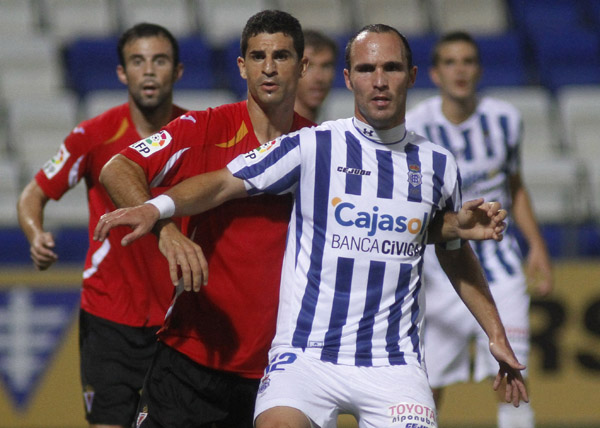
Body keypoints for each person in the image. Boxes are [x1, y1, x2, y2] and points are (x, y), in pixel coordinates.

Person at [94, 24, 528, 428]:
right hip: (280, 357)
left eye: (391, 68)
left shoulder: (437, 164)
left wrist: (455, 236)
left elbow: (416, 234)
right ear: (349, 78)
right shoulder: (308, 145)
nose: (379, 81)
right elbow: (214, 181)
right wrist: (159, 215)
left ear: (411, 76)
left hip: (384, 363)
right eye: (366, 69)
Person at [94, 10, 315, 428]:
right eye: (258, 56)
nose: (268, 68)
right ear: (242, 66)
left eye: (282, 56)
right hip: (192, 360)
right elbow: (117, 167)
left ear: (302, 66)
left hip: (281, 374)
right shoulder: (204, 127)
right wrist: (165, 230)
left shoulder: (320, 146)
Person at [16, 23, 186, 428]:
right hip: (109, 316)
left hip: (179, 317)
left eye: (160, 61)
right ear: (122, 73)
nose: (149, 71)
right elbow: (33, 194)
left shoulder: (197, 134)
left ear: (178, 71)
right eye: (138, 61)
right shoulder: (93, 136)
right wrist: (35, 235)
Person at [406, 31, 553, 428]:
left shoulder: (505, 119)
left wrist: (537, 246)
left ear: (479, 70)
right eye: (450, 62)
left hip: (501, 265)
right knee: (429, 384)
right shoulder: (416, 125)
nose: (460, 70)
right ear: (435, 73)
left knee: (512, 371)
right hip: (441, 270)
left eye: (468, 61)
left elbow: (515, 187)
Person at [294, 29, 338, 122]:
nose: (319, 78)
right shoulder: (272, 128)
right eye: (308, 67)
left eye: (326, 66)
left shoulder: (335, 128)